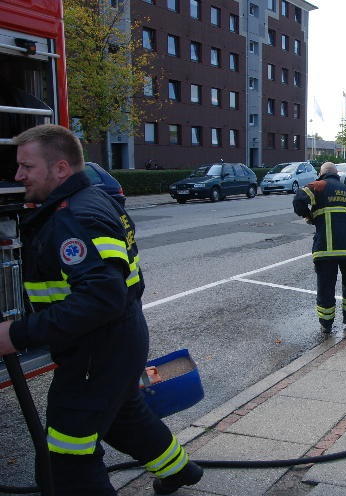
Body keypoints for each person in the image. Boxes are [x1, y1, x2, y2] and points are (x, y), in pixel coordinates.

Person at [0, 124, 202, 495]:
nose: (18, 175)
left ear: (61, 169)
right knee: (123, 416)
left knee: (68, 451)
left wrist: (16, 334)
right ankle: (179, 471)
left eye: (27, 167)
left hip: (98, 348)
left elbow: (101, 298)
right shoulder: (91, 200)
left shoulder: (74, 216)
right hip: (115, 340)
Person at [293, 162, 346, 333]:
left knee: (326, 285)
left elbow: (298, 200)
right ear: (337, 174)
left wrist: (309, 215)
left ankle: (326, 324)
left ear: (321, 173)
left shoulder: (319, 185)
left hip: (326, 248)